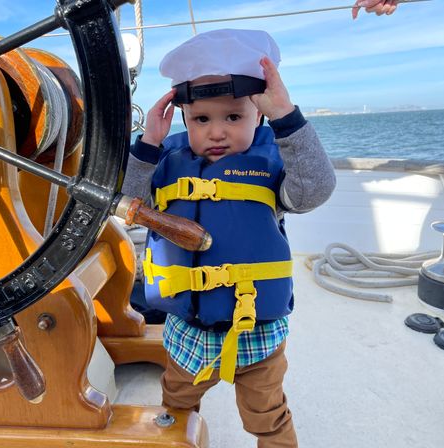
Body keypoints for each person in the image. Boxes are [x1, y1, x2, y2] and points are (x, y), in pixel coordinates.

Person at [121, 29, 335, 448]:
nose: (217, 132)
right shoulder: (165, 161)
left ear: (260, 116)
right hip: (186, 331)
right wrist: (148, 143)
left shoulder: (273, 163)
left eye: (233, 117)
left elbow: (315, 189)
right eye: (202, 119)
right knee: (176, 407)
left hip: (257, 331)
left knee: (268, 417)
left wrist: (287, 116)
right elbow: (129, 199)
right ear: (185, 119)